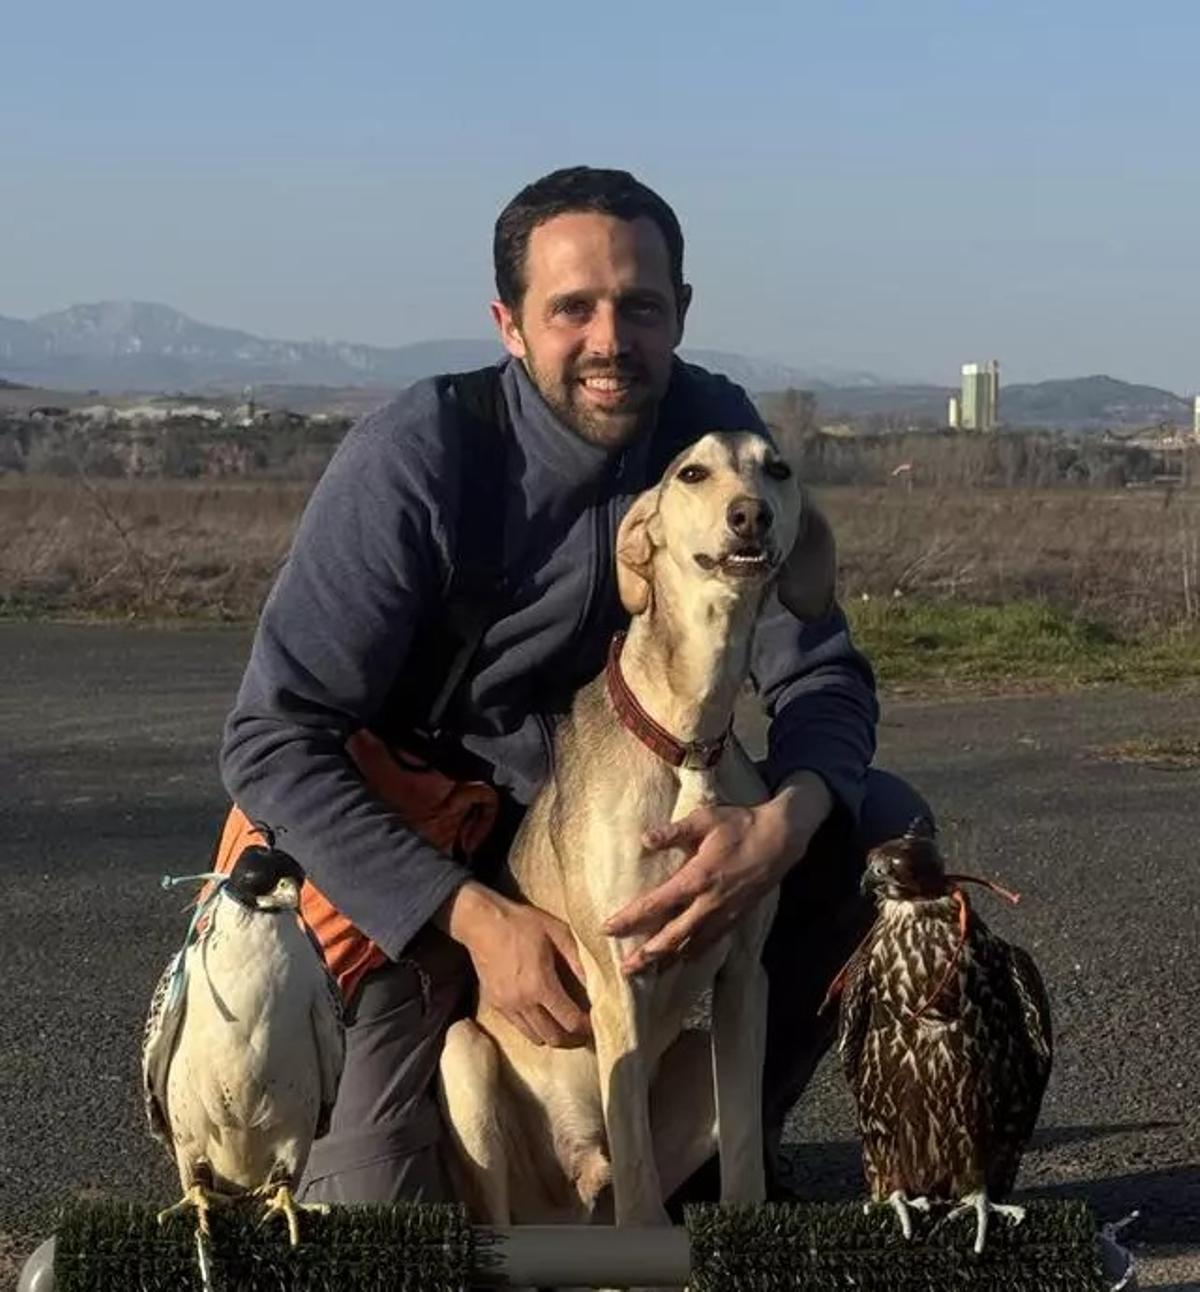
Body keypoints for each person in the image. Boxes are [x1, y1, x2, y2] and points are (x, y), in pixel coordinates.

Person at [218, 165, 929, 1206]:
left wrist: (783, 826)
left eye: (640, 306)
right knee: (377, 1225)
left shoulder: (717, 445)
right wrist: (469, 916)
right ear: (508, 323)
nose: (610, 340)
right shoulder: (421, 457)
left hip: (623, 829)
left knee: (881, 826)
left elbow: (822, 674)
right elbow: (271, 738)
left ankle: (707, 1157)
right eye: (572, 309)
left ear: (680, 312)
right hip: (426, 868)